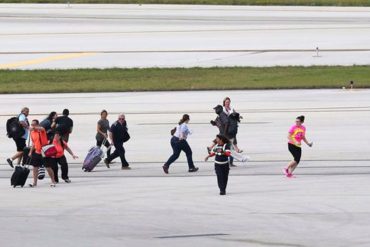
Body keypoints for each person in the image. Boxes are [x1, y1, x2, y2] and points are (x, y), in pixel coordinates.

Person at [28, 120, 57, 187]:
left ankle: (53, 181)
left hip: (44, 151)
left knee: (48, 167)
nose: (32, 126)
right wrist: (30, 151)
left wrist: (34, 128)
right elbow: (34, 143)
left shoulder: (41, 130)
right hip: (37, 152)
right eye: (32, 124)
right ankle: (34, 183)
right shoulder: (32, 133)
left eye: (34, 124)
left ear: (38, 125)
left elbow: (41, 128)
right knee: (35, 168)